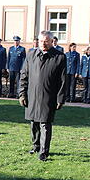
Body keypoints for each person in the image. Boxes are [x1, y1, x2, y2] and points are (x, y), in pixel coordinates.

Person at [19, 31, 67, 162]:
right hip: (32, 95)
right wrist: (22, 94)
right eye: (41, 41)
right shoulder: (31, 54)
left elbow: (63, 81)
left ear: (52, 41)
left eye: (46, 41)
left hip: (49, 96)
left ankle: (44, 151)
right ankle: (36, 146)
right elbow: (24, 75)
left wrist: (60, 98)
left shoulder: (60, 57)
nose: (43, 44)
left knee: (45, 124)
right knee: (34, 122)